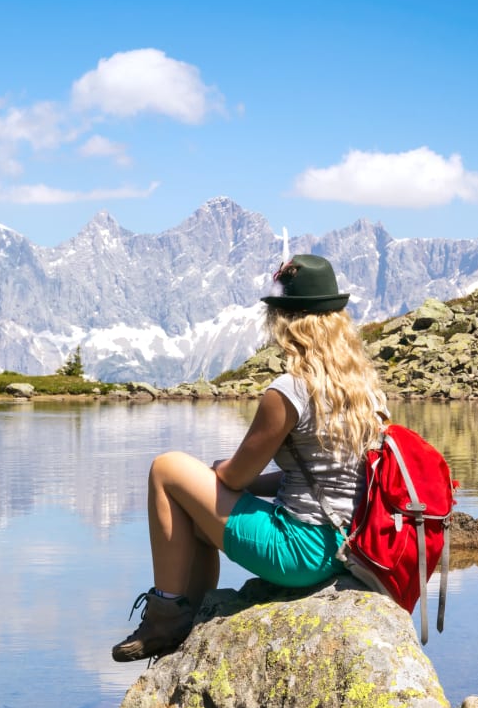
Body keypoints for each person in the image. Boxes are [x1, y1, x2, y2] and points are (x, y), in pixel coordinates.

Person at [111, 254, 388, 662]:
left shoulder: (290, 390)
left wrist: (214, 474)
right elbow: (319, 479)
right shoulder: (365, 390)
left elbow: (238, 476)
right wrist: (207, 489)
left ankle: (165, 613)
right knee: (194, 514)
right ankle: (192, 617)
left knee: (166, 468)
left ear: (286, 323)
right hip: (346, 547)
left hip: (300, 553)